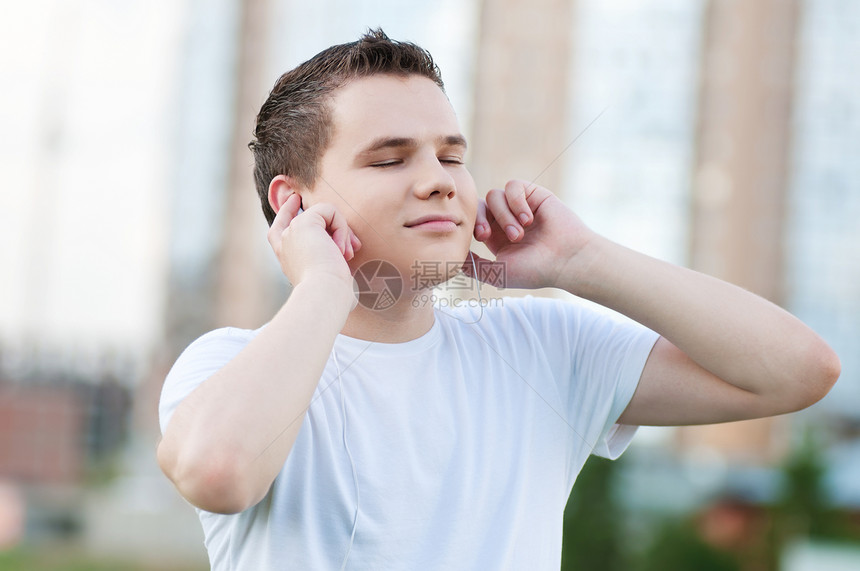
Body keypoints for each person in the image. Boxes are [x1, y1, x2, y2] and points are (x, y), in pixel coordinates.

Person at [156, 29, 840, 570]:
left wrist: (582, 260)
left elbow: (801, 369)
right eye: (391, 158)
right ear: (293, 201)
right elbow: (219, 471)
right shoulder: (227, 365)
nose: (438, 181)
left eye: (452, 156)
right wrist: (325, 284)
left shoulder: (541, 346)